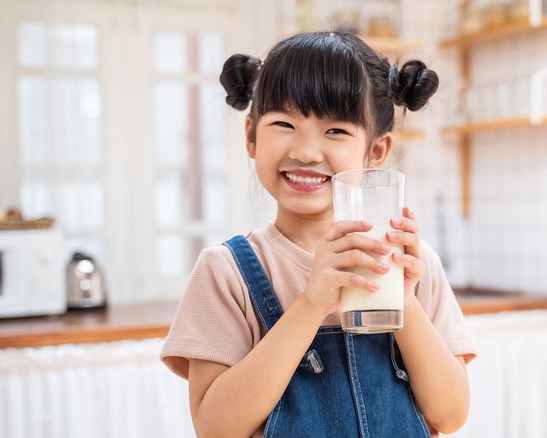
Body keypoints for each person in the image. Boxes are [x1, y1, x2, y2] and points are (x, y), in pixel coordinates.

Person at [161, 30, 477, 437]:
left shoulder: (414, 264)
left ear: (376, 152)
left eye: (336, 131)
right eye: (284, 123)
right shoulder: (227, 272)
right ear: (251, 137)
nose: (306, 152)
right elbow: (216, 428)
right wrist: (311, 304)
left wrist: (402, 300)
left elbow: (449, 416)